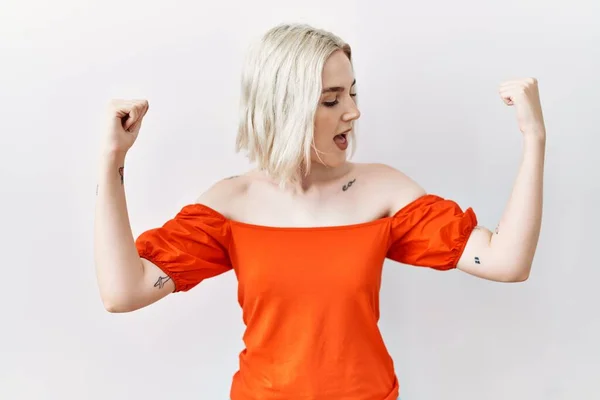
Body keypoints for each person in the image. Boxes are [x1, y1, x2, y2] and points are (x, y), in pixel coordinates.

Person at [94, 23, 546, 400]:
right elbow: (124, 292)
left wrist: (534, 138)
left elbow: (506, 262)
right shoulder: (233, 204)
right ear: (283, 109)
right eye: (331, 100)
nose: (353, 112)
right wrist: (113, 160)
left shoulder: (383, 191)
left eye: (352, 93)